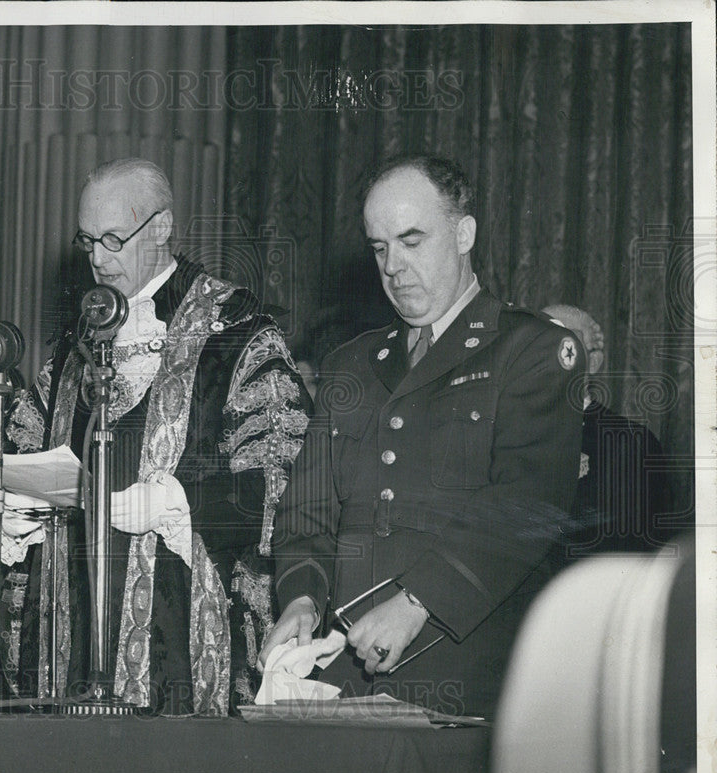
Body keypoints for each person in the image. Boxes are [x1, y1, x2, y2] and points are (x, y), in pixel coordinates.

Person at [262, 155, 585, 718]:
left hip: (468, 681)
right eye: (380, 248)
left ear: (464, 233)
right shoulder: (351, 364)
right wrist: (301, 602)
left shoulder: (530, 352)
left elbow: (527, 504)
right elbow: (305, 515)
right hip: (343, 683)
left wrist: (417, 602)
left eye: (412, 240)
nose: (395, 267)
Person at [0, 157, 311, 715]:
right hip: (70, 636)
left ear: (162, 227)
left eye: (114, 239)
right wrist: (19, 499)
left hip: (181, 642)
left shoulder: (237, 332)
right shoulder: (75, 341)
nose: (97, 258)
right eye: (87, 240)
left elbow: (280, 481)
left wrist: (178, 503)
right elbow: (30, 444)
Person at [542, 304, 671, 555]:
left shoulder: (633, 445)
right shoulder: (496, 438)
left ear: (593, 362)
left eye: (564, 348)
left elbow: (634, 550)